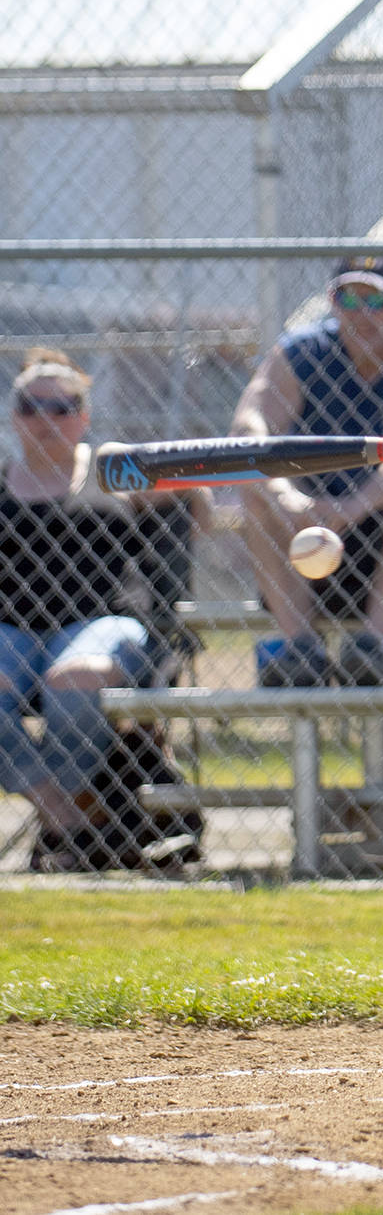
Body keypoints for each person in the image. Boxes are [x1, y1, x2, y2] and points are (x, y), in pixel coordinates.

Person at [233, 257, 383, 687]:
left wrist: (355, 506)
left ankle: (370, 647)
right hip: (312, 524)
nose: (362, 314)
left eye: (376, 301)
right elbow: (249, 428)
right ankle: (300, 649)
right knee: (255, 492)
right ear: (332, 302)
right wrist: (289, 499)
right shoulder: (299, 352)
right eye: (349, 299)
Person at [0, 353, 169, 869]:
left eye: (62, 406)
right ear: (13, 417)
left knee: (73, 677)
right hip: (11, 628)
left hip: (104, 621)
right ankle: (69, 817)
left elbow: (196, 509)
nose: (47, 419)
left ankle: (65, 823)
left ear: (84, 415)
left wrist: (176, 484)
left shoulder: (113, 471)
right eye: (32, 407)